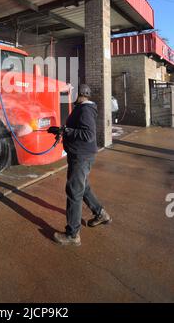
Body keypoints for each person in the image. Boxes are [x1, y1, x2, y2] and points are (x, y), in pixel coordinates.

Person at [49, 84, 112, 246]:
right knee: (83, 188)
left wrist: (68, 131)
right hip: (81, 155)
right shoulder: (82, 108)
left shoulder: (85, 110)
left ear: (80, 95)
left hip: (81, 157)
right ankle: (100, 214)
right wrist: (61, 130)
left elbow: (88, 134)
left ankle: (72, 234)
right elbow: (77, 129)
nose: (70, 95)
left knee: (74, 191)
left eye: (73, 93)